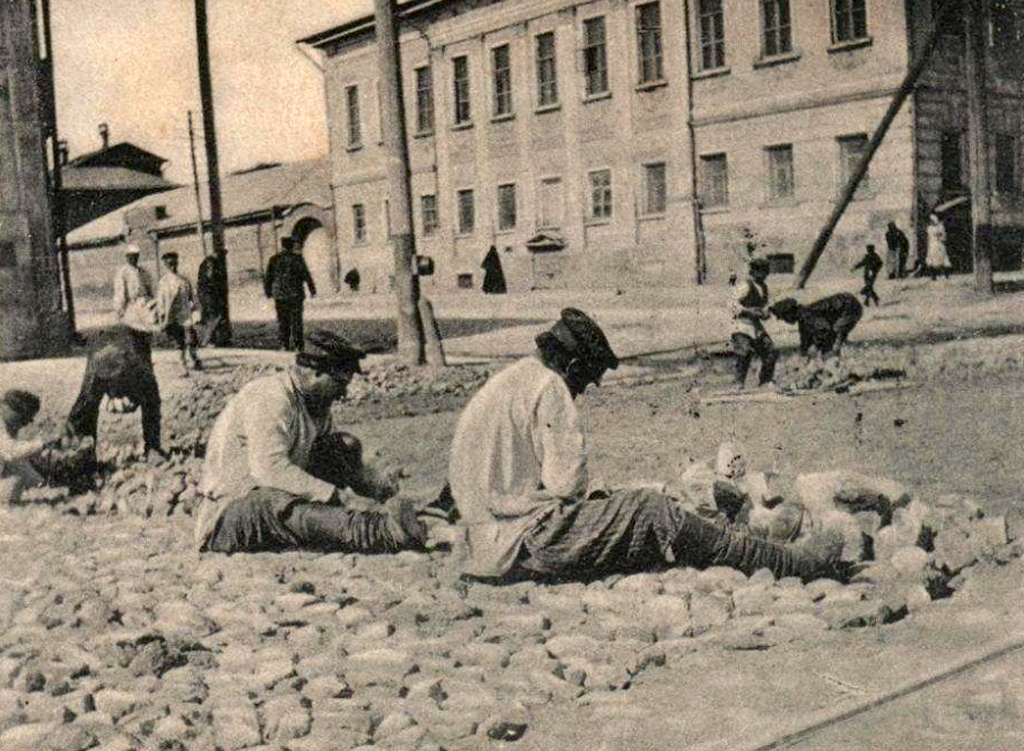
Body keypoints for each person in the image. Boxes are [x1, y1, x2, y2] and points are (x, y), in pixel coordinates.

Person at [448, 308, 843, 584]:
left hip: (483, 540)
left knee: (633, 511)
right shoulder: (550, 387)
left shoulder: (511, 379)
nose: (585, 391)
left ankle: (743, 544)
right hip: (522, 543)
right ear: (571, 368)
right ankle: (790, 562)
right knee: (650, 508)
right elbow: (567, 485)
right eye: (586, 381)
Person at [193, 330, 426, 555]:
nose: (343, 393)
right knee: (281, 504)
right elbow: (269, 470)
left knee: (343, 445)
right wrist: (340, 497)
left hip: (278, 493)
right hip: (231, 512)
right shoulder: (270, 398)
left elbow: (340, 457)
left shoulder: (314, 404)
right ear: (316, 373)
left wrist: (383, 493)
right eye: (340, 383)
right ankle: (382, 531)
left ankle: (389, 514)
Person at [65, 326, 162, 460]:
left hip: (128, 344)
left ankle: (84, 452)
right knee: (87, 403)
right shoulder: (100, 368)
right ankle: (83, 453)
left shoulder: (140, 370)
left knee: (88, 403)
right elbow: (82, 408)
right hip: (106, 348)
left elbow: (152, 403)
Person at [730, 258, 778, 389]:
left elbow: (765, 305)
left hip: (755, 326)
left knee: (771, 351)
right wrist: (747, 310)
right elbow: (732, 304)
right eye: (763, 272)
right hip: (741, 325)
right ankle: (738, 382)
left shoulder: (763, 287)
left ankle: (765, 381)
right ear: (755, 271)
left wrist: (766, 312)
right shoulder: (745, 286)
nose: (766, 275)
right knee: (744, 352)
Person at [264, 237, 317, 352]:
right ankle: (298, 346)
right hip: (295, 294)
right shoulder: (297, 259)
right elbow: (306, 275)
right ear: (292, 246)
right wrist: (312, 290)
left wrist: (268, 292)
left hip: (280, 295)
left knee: (283, 321)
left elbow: (268, 277)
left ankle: (284, 345)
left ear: (282, 246)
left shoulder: (274, 259)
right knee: (297, 321)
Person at [769, 293, 863, 358]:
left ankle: (835, 365)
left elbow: (825, 329)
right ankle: (833, 363)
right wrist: (804, 352)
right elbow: (805, 338)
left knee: (834, 337)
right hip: (846, 304)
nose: (781, 320)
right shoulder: (803, 317)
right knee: (829, 342)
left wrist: (816, 346)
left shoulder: (807, 316)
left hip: (849, 306)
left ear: (789, 314)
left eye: (782, 317)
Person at [156, 252, 203, 377]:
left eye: (174, 263)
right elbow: (160, 301)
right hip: (171, 316)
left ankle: (195, 358)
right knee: (178, 342)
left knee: (191, 339)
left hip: (185, 315)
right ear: (165, 265)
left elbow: (193, 297)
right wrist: (161, 317)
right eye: (169, 264)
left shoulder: (184, 280)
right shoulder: (164, 282)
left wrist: (196, 311)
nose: (173, 266)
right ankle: (183, 367)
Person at [0, 391, 48, 504]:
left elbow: (17, 463)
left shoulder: (6, 424)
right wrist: (42, 443)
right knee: (15, 483)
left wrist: (39, 482)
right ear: (7, 408)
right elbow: (11, 453)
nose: (26, 422)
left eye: (29, 417)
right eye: (24, 415)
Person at [111, 243, 153, 322]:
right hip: (132, 306)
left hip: (145, 306)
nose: (134, 258)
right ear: (127, 257)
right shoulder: (123, 272)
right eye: (131, 256)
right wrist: (120, 310)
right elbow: (120, 293)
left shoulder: (143, 272)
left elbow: (149, 290)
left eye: (136, 256)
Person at [197, 249, 230, 346]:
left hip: (204, 294)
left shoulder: (205, 262)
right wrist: (218, 290)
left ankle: (211, 340)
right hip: (211, 294)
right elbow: (210, 276)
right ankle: (207, 340)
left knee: (210, 317)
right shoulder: (212, 262)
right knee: (216, 316)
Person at [925, 213, 952, 280]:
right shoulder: (930, 228)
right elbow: (929, 237)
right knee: (932, 260)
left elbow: (944, 236)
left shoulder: (940, 227)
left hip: (939, 244)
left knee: (943, 259)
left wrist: (941, 238)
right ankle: (933, 275)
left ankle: (946, 275)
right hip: (932, 244)